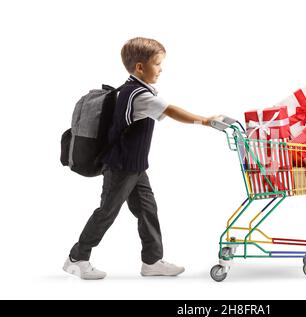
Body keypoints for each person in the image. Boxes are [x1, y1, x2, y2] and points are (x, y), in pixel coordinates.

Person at [63, 37, 218, 280]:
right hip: (121, 167)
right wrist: (206, 120)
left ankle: (152, 261)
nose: (161, 69)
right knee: (107, 213)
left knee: (147, 210)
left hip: (134, 166)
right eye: (157, 64)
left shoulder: (133, 89)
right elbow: (171, 110)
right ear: (139, 67)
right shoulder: (139, 95)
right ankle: (77, 259)